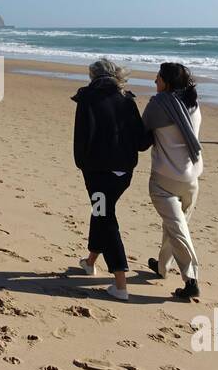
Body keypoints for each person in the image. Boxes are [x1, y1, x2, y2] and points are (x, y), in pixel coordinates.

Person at [72, 59, 146, 301]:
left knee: (105, 216)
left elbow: (82, 136)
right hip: (124, 173)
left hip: (98, 173)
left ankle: (120, 284)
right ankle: (90, 262)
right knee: (102, 211)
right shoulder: (128, 100)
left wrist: (82, 164)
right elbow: (143, 142)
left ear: (93, 76)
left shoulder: (87, 99)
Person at [142, 62, 204, 300]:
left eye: (157, 78)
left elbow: (141, 139)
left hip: (163, 181)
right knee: (175, 225)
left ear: (166, 83)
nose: (154, 82)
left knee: (177, 229)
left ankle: (191, 279)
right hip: (191, 179)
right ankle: (161, 267)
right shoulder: (194, 105)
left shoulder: (158, 105)